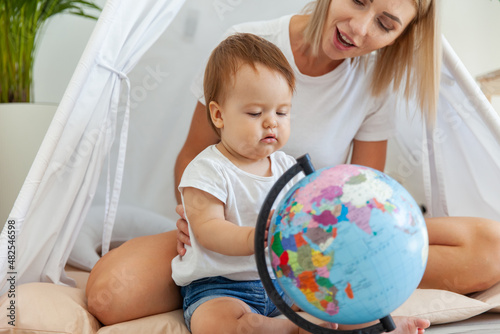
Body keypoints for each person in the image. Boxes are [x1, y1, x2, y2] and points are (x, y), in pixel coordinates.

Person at [86, 0, 500, 328]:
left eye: (385, 24)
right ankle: (236, 297)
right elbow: (194, 154)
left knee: (492, 248)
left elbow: (365, 186)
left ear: (401, 34)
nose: (360, 28)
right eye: (357, 1)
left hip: (318, 239)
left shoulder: (374, 81)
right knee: (109, 293)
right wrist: (195, 218)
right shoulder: (246, 46)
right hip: (231, 233)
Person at [173, 32, 427, 334]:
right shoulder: (207, 169)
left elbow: (306, 218)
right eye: (255, 113)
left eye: (282, 112)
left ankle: (380, 327)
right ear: (218, 115)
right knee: (214, 324)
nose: (272, 122)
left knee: (339, 295)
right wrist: (254, 237)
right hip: (224, 287)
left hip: (284, 280)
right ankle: (290, 329)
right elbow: (207, 230)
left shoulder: (287, 167)